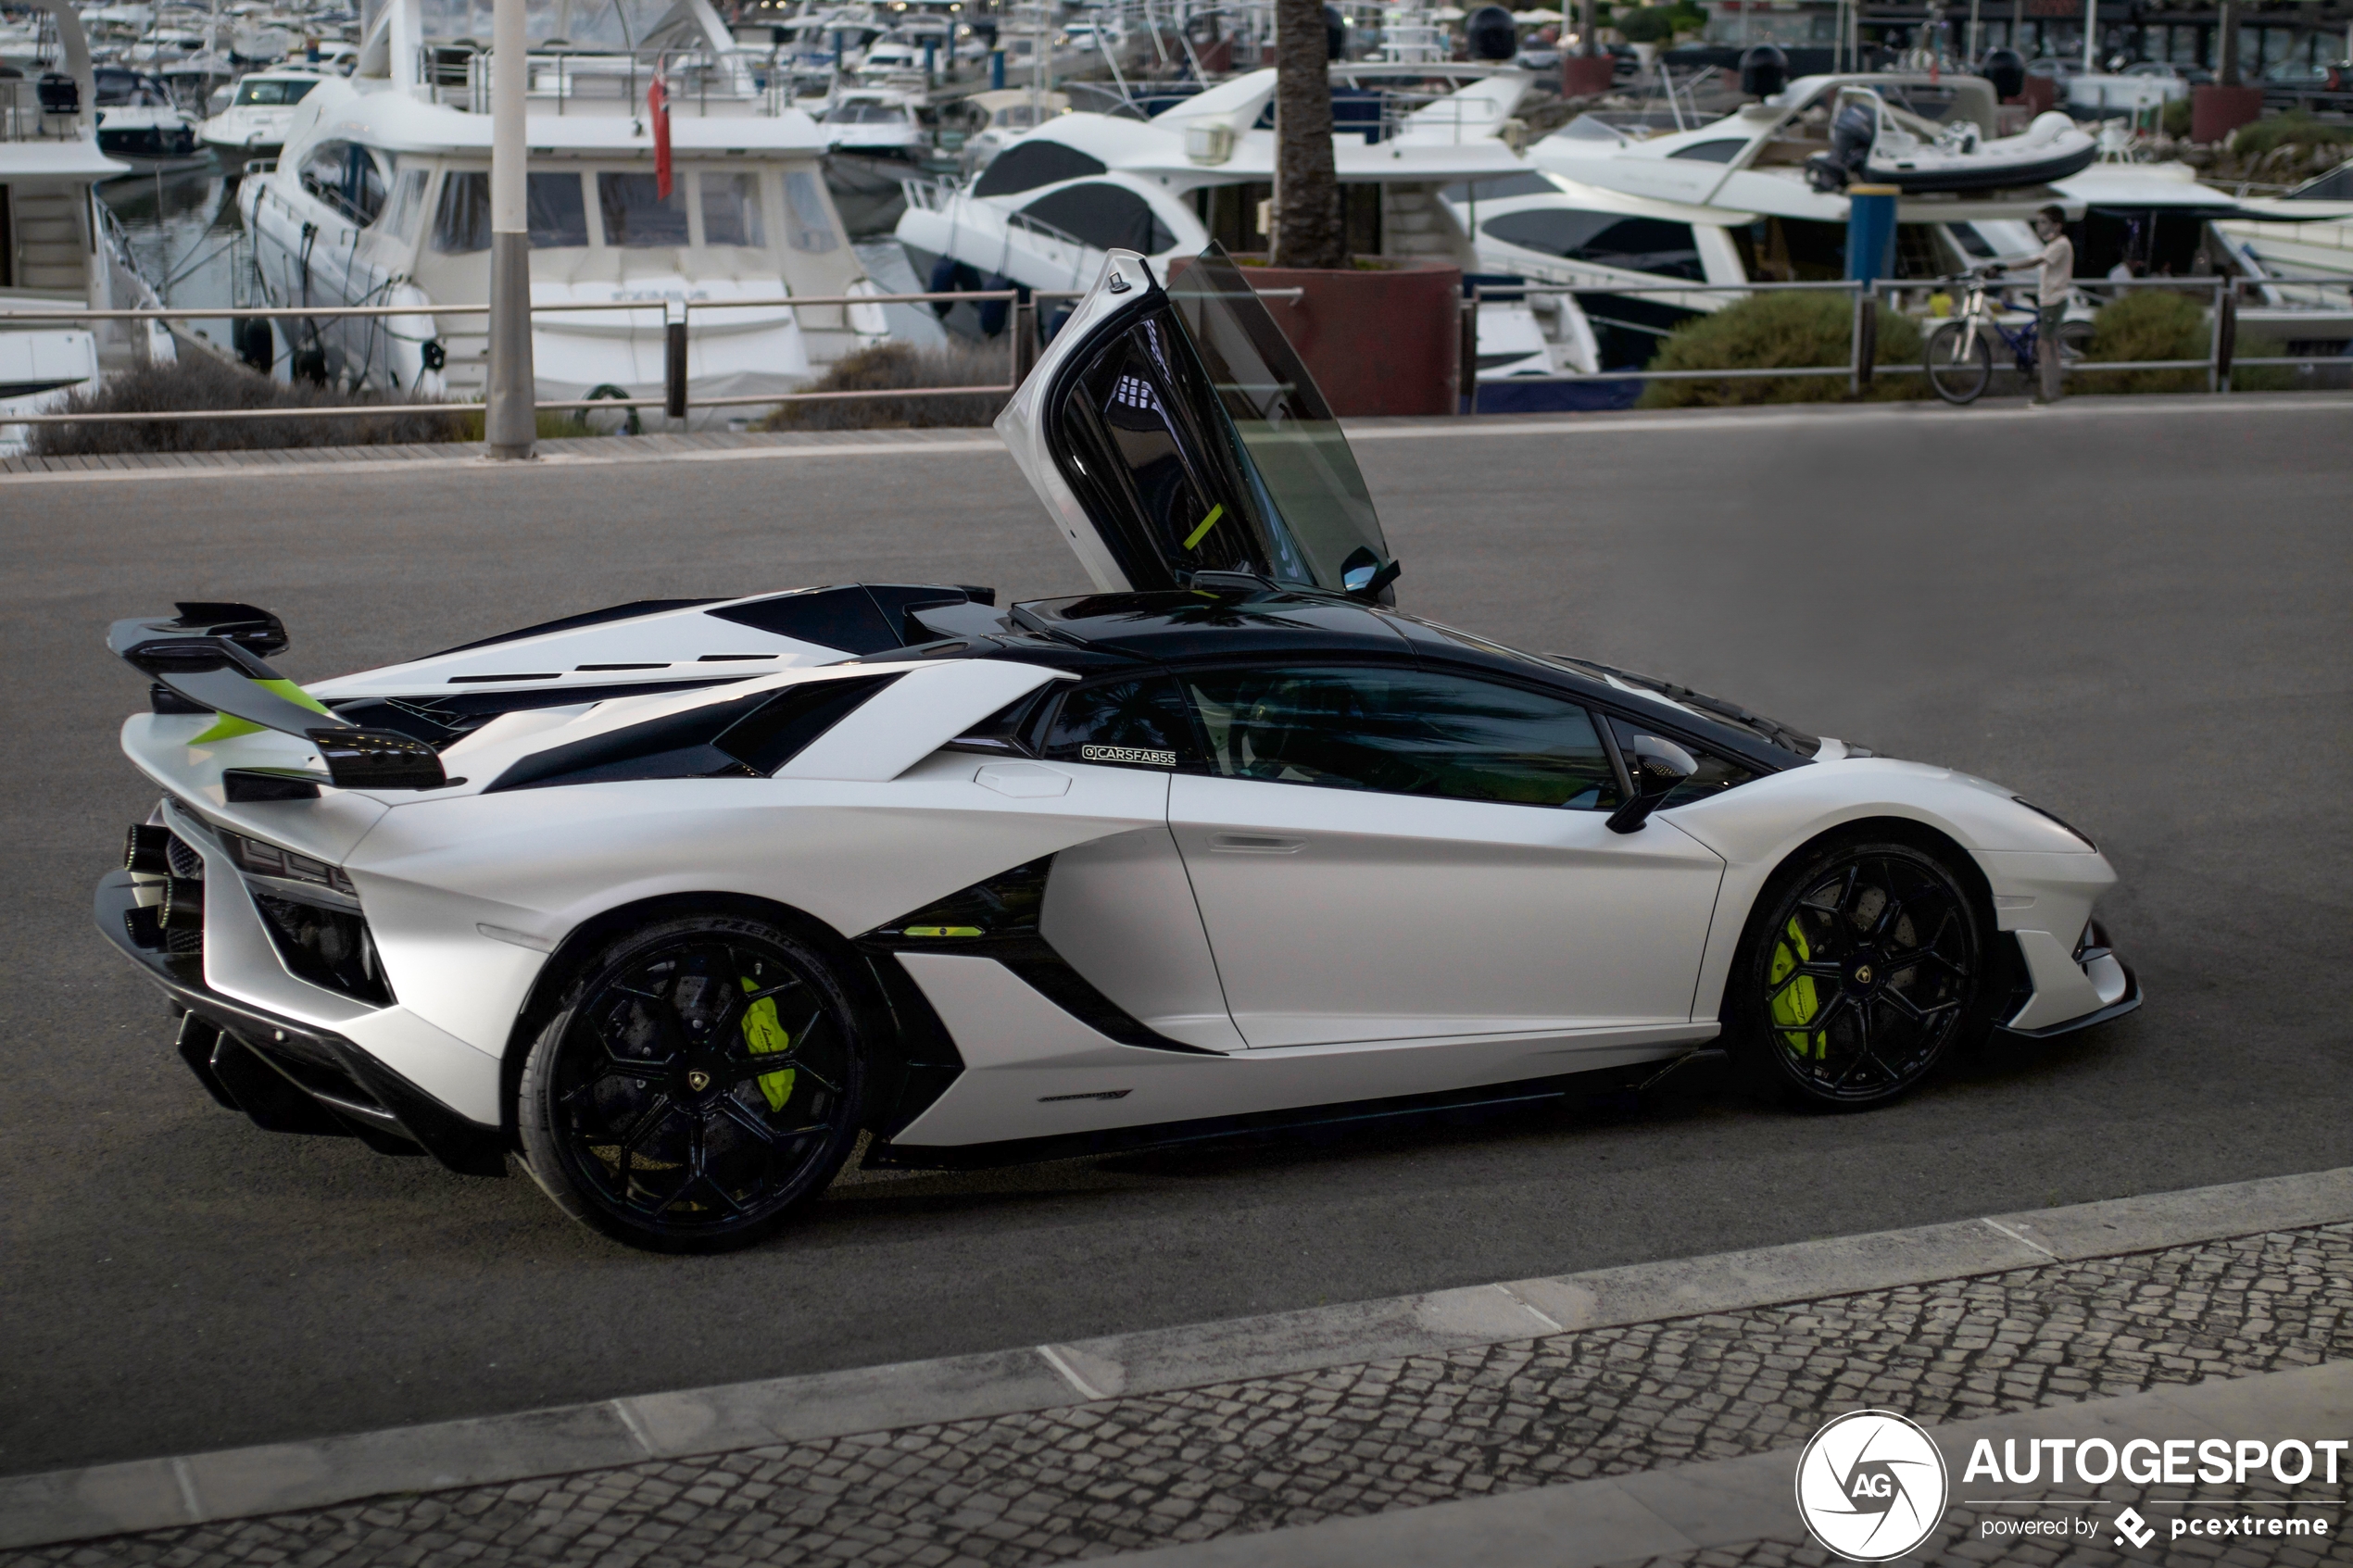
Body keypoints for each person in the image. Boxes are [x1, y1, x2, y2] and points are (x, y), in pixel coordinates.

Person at [2027, 203, 2074, 405]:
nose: (2039, 226)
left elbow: (2037, 261)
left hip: (2053, 300)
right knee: (2049, 346)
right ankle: (2053, 390)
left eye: (2044, 222)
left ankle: (2048, 393)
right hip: (2050, 300)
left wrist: (2007, 267)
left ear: (2057, 225)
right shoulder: (2055, 244)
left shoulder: (2060, 245)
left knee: (2045, 346)